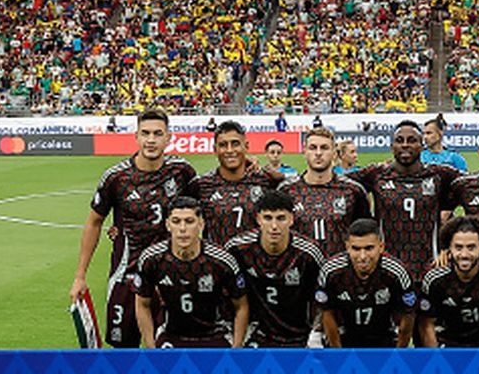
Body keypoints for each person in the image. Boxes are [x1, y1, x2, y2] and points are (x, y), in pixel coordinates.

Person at [69, 107, 198, 347]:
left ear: (168, 138)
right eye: (145, 133)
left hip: (170, 276)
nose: (151, 140)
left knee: (169, 348)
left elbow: (200, 214)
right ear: (136, 137)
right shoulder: (116, 177)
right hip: (126, 275)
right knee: (122, 350)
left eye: (158, 133)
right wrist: (80, 276)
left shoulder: (182, 171)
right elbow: (94, 223)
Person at [346, 120, 461, 286]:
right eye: (400, 141)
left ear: (422, 146)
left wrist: (449, 245)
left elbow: (471, 187)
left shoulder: (439, 174)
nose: (405, 145)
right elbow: (339, 184)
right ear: (392, 147)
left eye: (412, 140)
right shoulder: (377, 174)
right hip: (386, 270)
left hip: (431, 269)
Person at [133, 196, 249, 348]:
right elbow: (142, 304)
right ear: (168, 225)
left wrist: (237, 348)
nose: (182, 228)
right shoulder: (152, 259)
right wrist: (150, 347)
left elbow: (241, 306)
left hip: (215, 334)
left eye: (189, 221)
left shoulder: (222, 261)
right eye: (176, 221)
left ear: (201, 224)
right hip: (171, 335)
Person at [225, 190, 325, 348]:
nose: (274, 226)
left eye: (281, 218)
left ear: (291, 219)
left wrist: (316, 333)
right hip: (256, 335)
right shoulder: (238, 249)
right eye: (268, 218)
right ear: (258, 219)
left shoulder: (308, 254)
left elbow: (323, 299)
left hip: (300, 336)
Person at [417, 216, 479, 348]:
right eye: (458, 247)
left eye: (471, 247)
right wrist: (436, 358)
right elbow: (427, 324)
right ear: (449, 248)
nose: (464, 254)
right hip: (447, 344)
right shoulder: (434, 278)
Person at [316, 219, 415, 348]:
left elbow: (408, 315)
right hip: (344, 338)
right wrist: (338, 353)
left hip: (384, 339)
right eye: (356, 249)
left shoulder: (397, 273)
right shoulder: (331, 272)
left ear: (381, 247)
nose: (362, 256)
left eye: (369, 248)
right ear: (347, 247)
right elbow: (327, 313)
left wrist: (398, 354)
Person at [186, 120, 284, 249]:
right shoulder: (202, 184)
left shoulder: (264, 180)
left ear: (246, 146)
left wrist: (266, 170)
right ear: (215, 150)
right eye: (223, 145)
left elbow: (290, 184)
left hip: (255, 259)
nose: (230, 150)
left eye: (235, 144)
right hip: (218, 259)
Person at [279, 127, 372, 258]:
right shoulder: (287, 190)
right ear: (304, 151)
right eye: (313, 148)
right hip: (298, 268)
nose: (318, 153)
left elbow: (366, 234)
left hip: (340, 267)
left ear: (334, 153)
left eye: (324, 148)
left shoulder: (353, 190)